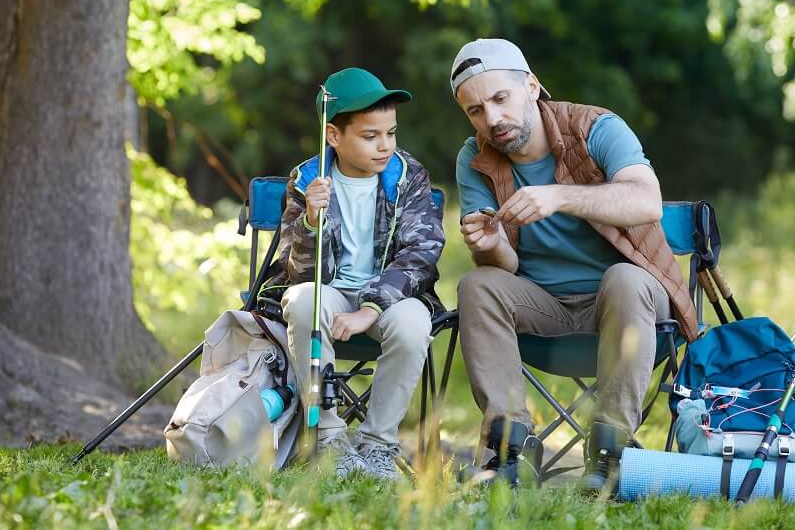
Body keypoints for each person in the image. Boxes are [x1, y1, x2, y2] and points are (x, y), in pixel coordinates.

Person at [451, 39, 698, 493]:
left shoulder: (596, 127)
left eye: (500, 99)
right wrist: (489, 245)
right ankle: (510, 453)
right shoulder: (476, 157)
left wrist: (559, 197)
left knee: (624, 277)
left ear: (531, 85)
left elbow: (647, 201)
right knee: (477, 284)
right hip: (545, 308)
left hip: (628, 307)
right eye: (475, 110)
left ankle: (609, 452)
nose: (492, 119)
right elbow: (502, 265)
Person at [266, 67, 445, 479]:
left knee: (415, 322)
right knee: (304, 300)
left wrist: (370, 307)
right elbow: (302, 274)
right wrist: (311, 220)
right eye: (370, 136)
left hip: (390, 296)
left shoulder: (408, 177)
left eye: (391, 133)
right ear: (333, 136)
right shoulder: (308, 179)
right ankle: (329, 439)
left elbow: (422, 254)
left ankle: (378, 444)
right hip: (328, 292)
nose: (385, 146)